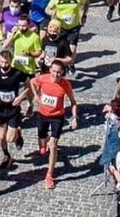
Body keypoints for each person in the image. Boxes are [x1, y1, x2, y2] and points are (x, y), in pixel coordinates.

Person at [30, 58, 77, 190]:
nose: (56, 75)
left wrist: (74, 118)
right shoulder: (43, 78)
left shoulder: (65, 84)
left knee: (54, 144)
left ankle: (49, 174)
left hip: (57, 117)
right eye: (54, 71)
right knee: (42, 136)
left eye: (59, 72)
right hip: (43, 115)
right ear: (50, 70)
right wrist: (36, 96)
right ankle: (43, 145)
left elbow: (73, 102)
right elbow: (33, 82)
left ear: (63, 73)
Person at [0, 49, 29, 168]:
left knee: (10, 139)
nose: (4, 65)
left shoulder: (17, 73)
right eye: (2, 62)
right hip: (0, 110)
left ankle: (18, 133)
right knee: (1, 137)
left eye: (6, 62)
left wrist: (21, 96)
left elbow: (30, 85)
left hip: (13, 109)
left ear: (11, 61)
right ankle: (7, 155)